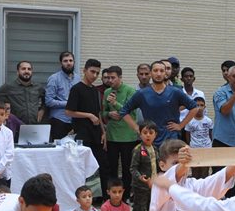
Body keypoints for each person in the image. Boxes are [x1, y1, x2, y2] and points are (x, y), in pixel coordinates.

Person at [115, 60, 194, 146]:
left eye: (161, 71)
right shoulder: (142, 93)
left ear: (165, 74)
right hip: (150, 141)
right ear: (150, 73)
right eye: (155, 70)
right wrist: (137, 128)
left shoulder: (175, 92)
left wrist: (180, 125)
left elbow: (194, 107)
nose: (159, 74)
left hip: (170, 140)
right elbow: (124, 111)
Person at [67, 58, 107, 185]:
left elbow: (98, 113)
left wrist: (103, 131)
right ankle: (82, 197)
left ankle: (104, 197)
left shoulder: (96, 91)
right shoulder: (76, 89)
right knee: (82, 167)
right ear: (85, 70)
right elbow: (68, 111)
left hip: (96, 134)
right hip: (82, 134)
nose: (94, 75)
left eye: (97, 73)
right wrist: (89, 115)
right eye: (92, 72)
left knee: (102, 165)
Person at [101, 66, 138, 196]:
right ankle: (112, 195)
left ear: (120, 78)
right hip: (112, 136)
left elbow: (131, 111)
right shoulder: (107, 92)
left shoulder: (130, 91)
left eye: (113, 78)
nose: (110, 80)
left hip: (128, 136)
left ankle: (126, 196)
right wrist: (109, 114)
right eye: (108, 77)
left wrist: (115, 103)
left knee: (127, 168)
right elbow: (102, 112)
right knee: (112, 168)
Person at [0, 61, 43, 125]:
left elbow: (46, 100)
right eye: (23, 69)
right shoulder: (9, 86)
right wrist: (2, 111)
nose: (26, 71)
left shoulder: (38, 87)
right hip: (15, 125)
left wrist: (42, 110)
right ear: (17, 72)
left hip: (34, 125)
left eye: (29, 69)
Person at [43, 51, 79, 141]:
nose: (68, 63)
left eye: (71, 60)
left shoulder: (78, 78)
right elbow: (49, 101)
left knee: (74, 150)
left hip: (75, 120)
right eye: (65, 61)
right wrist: (68, 104)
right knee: (59, 150)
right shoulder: (54, 78)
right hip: (59, 120)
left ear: (74, 62)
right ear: (61, 63)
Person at [129, 121, 157, 211]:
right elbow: (133, 168)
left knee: (153, 208)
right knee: (139, 209)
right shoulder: (138, 150)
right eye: (145, 132)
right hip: (141, 186)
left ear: (155, 135)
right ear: (140, 134)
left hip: (154, 186)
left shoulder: (155, 149)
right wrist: (140, 177)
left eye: (151, 133)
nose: (148, 135)